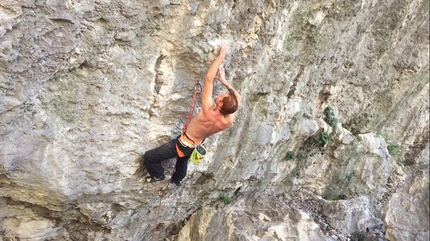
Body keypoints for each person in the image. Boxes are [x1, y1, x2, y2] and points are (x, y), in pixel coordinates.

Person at [138, 43, 242, 186]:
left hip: (182, 143)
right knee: (183, 160)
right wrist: (224, 81)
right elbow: (238, 98)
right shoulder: (228, 121)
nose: (222, 94)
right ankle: (177, 179)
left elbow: (208, 79)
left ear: (221, 104)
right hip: (196, 146)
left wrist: (221, 56)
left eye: (223, 97)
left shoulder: (207, 109)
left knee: (149, 157)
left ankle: (158, 175)